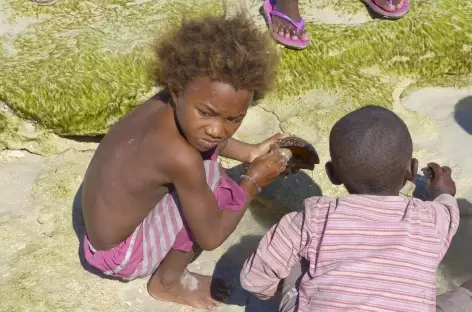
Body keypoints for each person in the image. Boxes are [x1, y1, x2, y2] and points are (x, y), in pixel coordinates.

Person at [81, 12, 288, 310]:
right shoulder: (179, 156)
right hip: (119, 257)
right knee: (216, 185)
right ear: (178, 91)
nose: (218, 129)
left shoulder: (172, 101)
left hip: (100, 233)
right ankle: (168, 282)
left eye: (234, 119)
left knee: (203, 154)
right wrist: (253, 181)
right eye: (207, 113)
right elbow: (212, 234)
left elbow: (204, 131)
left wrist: (251, 152)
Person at [240, 105, 459, 311]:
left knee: (297, 263)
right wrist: (443, 192)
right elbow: (449, 211)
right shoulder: (430, 219)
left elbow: (253, 279)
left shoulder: (315, 217)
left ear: (332, 174)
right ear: (411, 170)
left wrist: (283, 290)